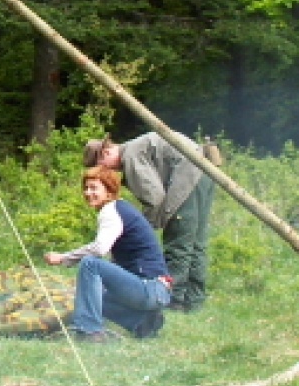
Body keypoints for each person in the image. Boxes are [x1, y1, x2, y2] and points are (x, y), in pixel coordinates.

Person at [84, 132, 215, 313]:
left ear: (105, 153)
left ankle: (172, 300)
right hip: (204, 171)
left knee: (178, 242)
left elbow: (155, 198)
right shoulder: (135, 148)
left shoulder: (130, 157)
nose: (104, 171)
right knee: (196, 244)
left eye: (100, 165)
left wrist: (141, 229)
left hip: (188, 176)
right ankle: (194, 301)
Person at [45, 166, 171, 341]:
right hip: (157, 290)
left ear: (109, 191)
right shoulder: (120, 209)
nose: (88, 193)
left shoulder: (111, 211)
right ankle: (143, 322)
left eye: (94, 188)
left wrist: (63, 258)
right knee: (92, 298)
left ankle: (89, 331)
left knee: (90, 264)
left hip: (149, 288)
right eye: (86, 188)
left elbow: (99, 249)